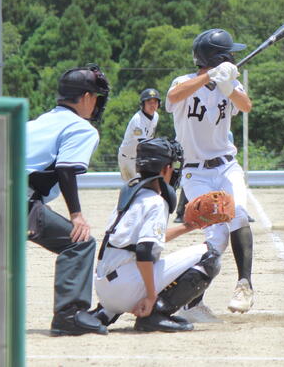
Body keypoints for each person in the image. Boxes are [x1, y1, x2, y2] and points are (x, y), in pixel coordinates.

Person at [165, 28, 255, 321]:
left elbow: (246, 106)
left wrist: (227, 85)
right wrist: (210, 76)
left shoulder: (230, 82)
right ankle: (192, 303)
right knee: (216, 234)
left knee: (237, 213)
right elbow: (173, 97)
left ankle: (244, 285)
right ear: (217, 58)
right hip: (196, 173)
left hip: (227, 165)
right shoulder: (183, 82)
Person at [91, 137, 221, 332]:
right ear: (165, 169)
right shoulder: (156, 202)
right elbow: (144, 251)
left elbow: (141, 240)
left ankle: (105, 313)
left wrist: (189, 226)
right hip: (126, 289)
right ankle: (155, 314)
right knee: (209, 256)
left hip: (105, 291)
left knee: (131, 259)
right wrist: (151, 296)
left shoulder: (132, 196)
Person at [26, 64, 111, 336]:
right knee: (80, 242)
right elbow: (65, 169)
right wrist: (76, 215)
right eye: (96, 97)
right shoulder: (81, 128)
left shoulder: (38, 122)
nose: (97, 103)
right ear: (86, 97)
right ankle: (69, 315)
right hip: (15, 200)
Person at [117, 88, 161, 181]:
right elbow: (143, 144)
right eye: (149, 102)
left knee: (144, 185)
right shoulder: (138, 119)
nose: (152, 105)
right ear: (143, 104)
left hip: (139, 158)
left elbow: (150, 138)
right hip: (127, 159)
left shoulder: (156, 116)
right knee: (133, 186)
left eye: (155, 102)